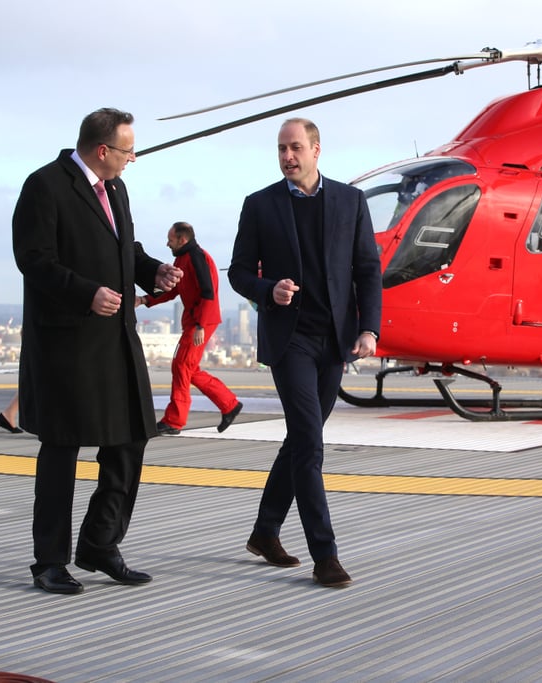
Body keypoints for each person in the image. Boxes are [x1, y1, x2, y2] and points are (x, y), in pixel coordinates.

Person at [12, 107, 182, 595]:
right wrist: (85, 292)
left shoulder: (116, 188)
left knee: (130, 440)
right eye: (129, 150)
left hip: (116, 341)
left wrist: (152, 272)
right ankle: (49, 561)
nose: (133, 159)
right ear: (103, 150)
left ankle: (99, 544)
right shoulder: (44, 185)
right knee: (62, 450)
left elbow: (123, 248)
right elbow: (34, 261)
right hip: (66, 344)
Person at [228, 117, 382, 588]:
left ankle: (264, 531)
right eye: (281, 149)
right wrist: (267, 288)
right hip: (288, 339)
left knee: (300, 440)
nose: (287, 157)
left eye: (295, 148)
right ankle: (326, 555)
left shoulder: (351, 201)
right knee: (310, 444)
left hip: (334, 342)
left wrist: (369, 329)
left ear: (316, 149)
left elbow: (368, 270)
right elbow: (237, 272)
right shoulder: (260, 205)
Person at [137, 221, 242, 435]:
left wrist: (200, 326)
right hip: (196, 322)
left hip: (200, 323)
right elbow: (173, 290)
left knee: (181, 365)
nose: (167, 243)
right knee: (188, 368)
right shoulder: (182, 258)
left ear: (182, 239)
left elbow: (207, 292)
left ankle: (174, 421)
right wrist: (145, 300)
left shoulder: (196, 257)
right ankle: (229, 404)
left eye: (170, 239)